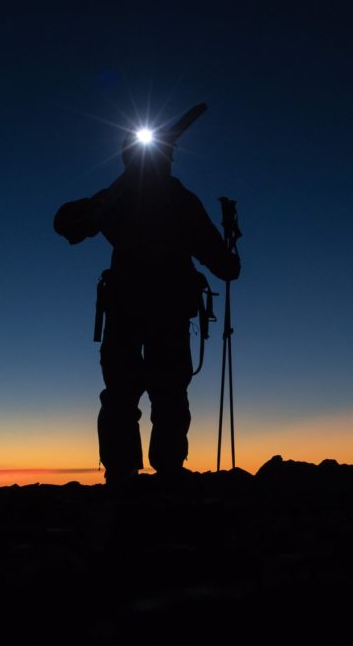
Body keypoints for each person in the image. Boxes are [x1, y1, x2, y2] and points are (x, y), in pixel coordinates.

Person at [53, 118, 240, 484]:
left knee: (130, 392)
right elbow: (224, 265)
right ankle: (165, 472)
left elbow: (70, 224)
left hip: (128, 308)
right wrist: (230, 253)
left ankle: (124, 475)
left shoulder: (120, 197)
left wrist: (111, 197)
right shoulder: (173, 198)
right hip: (164, 310)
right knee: (166, 392)